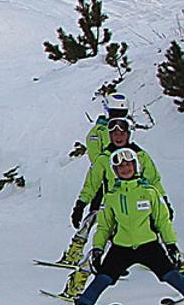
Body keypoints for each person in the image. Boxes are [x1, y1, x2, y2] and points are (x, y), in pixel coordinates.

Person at [53, 149, 184, 305]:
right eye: (120, 167)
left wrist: (171, 246)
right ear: (115, 171)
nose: (125, 169)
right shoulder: (112, 196)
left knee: (173, 276)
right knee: (101, 280)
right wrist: (97, 250)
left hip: (149, 245)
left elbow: (162, 221)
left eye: (128, 165)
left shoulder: (149, 192)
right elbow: (104, 227)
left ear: (135, 166)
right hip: (121, 248)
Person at [58, 115, 182, 297]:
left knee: (166, 243)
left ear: (128, 134)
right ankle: (76, 284)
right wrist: (81, 204)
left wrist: (164, 201)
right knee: (101, 248)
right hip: (115, 209)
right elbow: (92, 184)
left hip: (141, 209)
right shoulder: (104, 159)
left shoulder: (140, 156)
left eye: (122, 132)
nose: (118, 136)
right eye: (113, 132)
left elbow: (154, 181)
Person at [55, 93, 134, 266]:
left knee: (125, 218)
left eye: (122, 114)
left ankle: (127, 255)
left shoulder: (125, 128)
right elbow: (96, 158)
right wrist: (81, 203)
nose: (118, 119)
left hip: (124, 180)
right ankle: (75, 250)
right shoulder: (97, 133)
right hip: (104, 180)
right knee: (96, 214)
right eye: (114, 114)